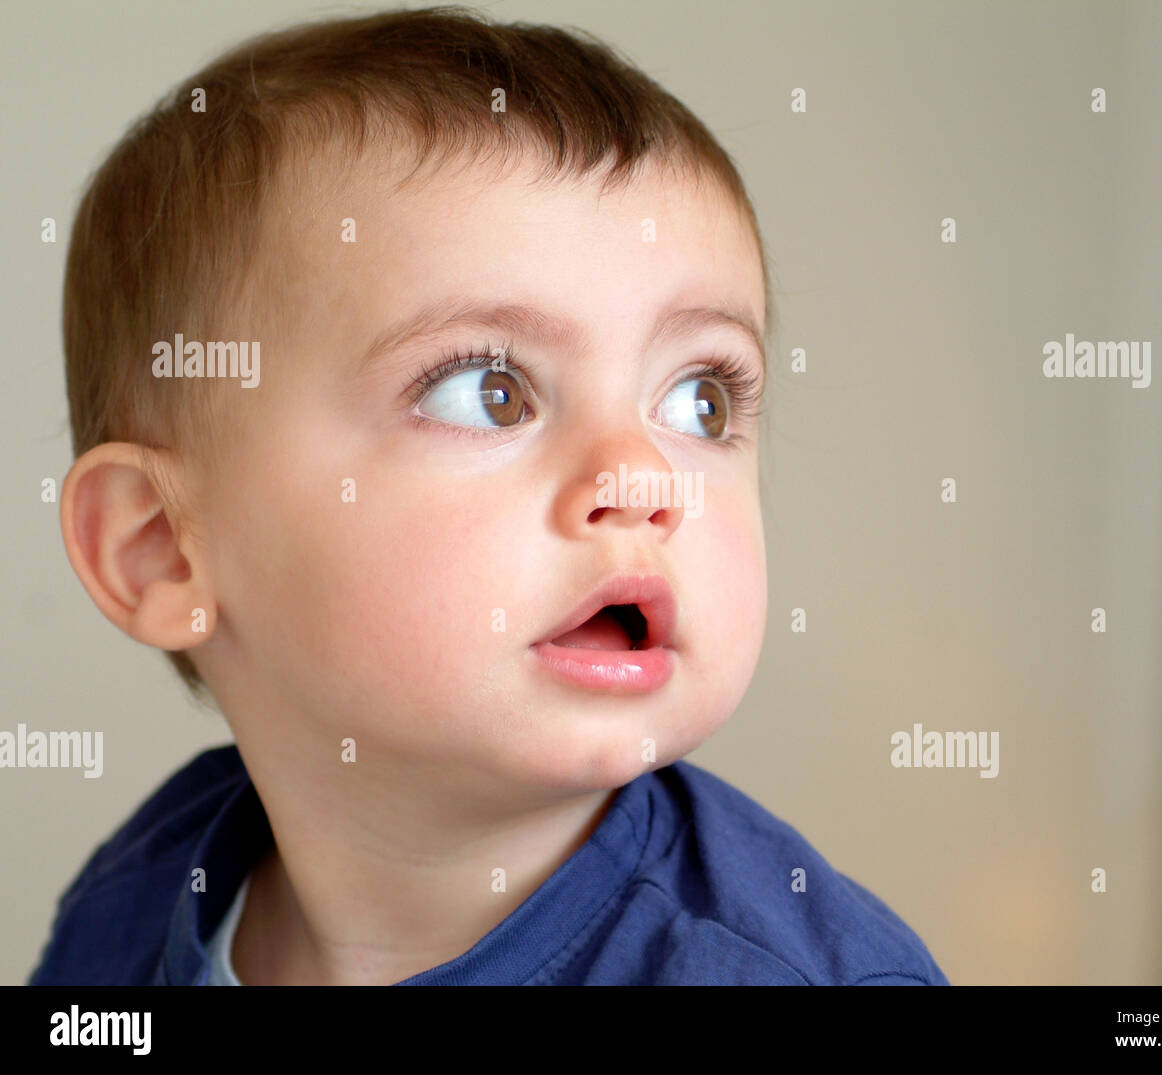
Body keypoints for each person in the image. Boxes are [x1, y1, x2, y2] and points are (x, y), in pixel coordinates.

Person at [30, 5, 948, 986]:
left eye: (700, 399)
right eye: (488, 392)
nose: (641, 478)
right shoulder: (137, 895)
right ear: (164, 546)